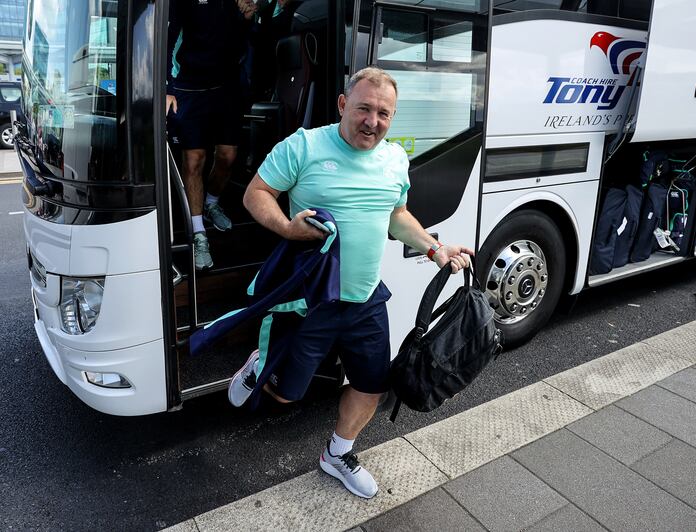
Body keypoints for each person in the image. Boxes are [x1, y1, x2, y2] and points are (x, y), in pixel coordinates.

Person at [232, 67, 473, 499]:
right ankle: (259, 363)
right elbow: (256, 193)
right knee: (287, 394)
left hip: (365, 297)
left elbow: (396, 215)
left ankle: (337, 454)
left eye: (384, 114)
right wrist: (287, 227)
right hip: (311, 299)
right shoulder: (304, 146)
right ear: (344, 105)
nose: (372, 121)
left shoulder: (395, 159)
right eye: (363, 108)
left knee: (371, 384)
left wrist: (436, 249)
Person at [165, 0, 258, 270]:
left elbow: (244, 44)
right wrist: (167, 87)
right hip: (189, 86)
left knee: (228, 157)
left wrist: (247, 18)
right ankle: (198, 234)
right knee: (194, 160)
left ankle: (211, 203)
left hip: (227, 86)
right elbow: (168, 37)